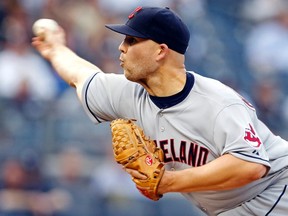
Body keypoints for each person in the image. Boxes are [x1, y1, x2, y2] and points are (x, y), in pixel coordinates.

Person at [32, 6, 288, 216]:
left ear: (160, 51)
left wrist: (169, 182)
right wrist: (55, 49)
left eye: (132, 40)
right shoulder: (128, 92)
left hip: (276, 192)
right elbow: (80, 76)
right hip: (232, 208)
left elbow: (250, 166)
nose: (121, 47)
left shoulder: (217, 102)